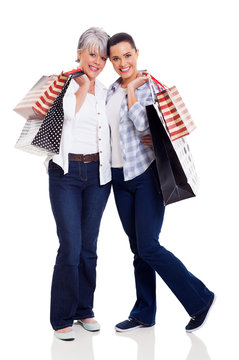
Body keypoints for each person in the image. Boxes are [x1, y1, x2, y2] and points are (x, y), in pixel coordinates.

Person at [106, 32, 215, 333]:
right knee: (137, 248)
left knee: (150, 246)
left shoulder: (149, 87)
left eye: (127, 55)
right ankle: (144, 314)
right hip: (119, 178)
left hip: (146, 175)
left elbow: (143, 126)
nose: (122, 62)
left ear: (137, 54)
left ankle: (200, 298)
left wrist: (132, 95)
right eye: (115, 58)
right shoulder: (110, 91)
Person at [47, 27, 111, 341]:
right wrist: (83, 87)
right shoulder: (64, 83)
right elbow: (67, 118)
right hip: (66, 174)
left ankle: (84, 309)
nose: (96, 61)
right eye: (91, 53)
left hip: (98, 176)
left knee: (89, 247)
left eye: (101, 56)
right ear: (80, 52)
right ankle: (62, 316)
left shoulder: (108, 90)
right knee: (70, 244)